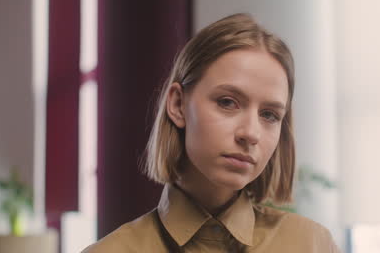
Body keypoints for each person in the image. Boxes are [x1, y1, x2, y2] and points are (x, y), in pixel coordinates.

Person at [82, 13, 341, 252]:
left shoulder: (312, 244)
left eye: (269, 115)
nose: (251, 133)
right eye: (227, 102)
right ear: (177, 105)